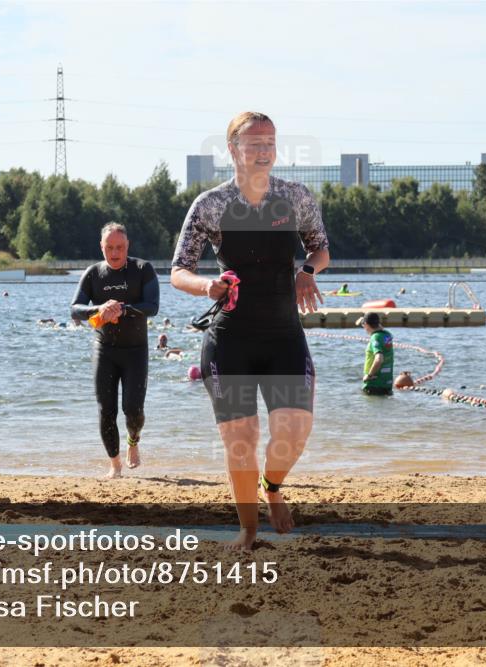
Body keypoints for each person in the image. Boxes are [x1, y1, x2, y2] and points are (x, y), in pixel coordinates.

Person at [170, 111, 329, 551]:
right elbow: (179, 270)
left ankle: (272, 486)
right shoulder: (211, 204)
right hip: (230, 338)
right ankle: (248, 529)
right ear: (233, 150)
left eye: (270, 143)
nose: (264, 151)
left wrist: (307, 271)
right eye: (254, 143)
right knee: (241, 439)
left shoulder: (295, 198)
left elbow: (320, 246)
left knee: (294, 432)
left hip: (283, 335)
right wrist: (208, 286)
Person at [71, 222, 160, 479]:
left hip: (135, 351)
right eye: (109, 247)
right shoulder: (93, 273)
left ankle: (134, 440)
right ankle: (115, 464)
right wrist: (99, 310)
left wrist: (121, 308)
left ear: (127, 246)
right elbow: (75, 309)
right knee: (105, 410)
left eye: (119, 247)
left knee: (133, 410)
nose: (114, 252)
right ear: (102, 247)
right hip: (104, 350)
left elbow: (152, 306)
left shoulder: (143, 269)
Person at [358, 312, 394, 395]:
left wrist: (369, 376)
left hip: (373, 384)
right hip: (387, 384)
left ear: (366, 324)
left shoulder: (375, 338)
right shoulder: (387, 335)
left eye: (363, 325)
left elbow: (379, 359)